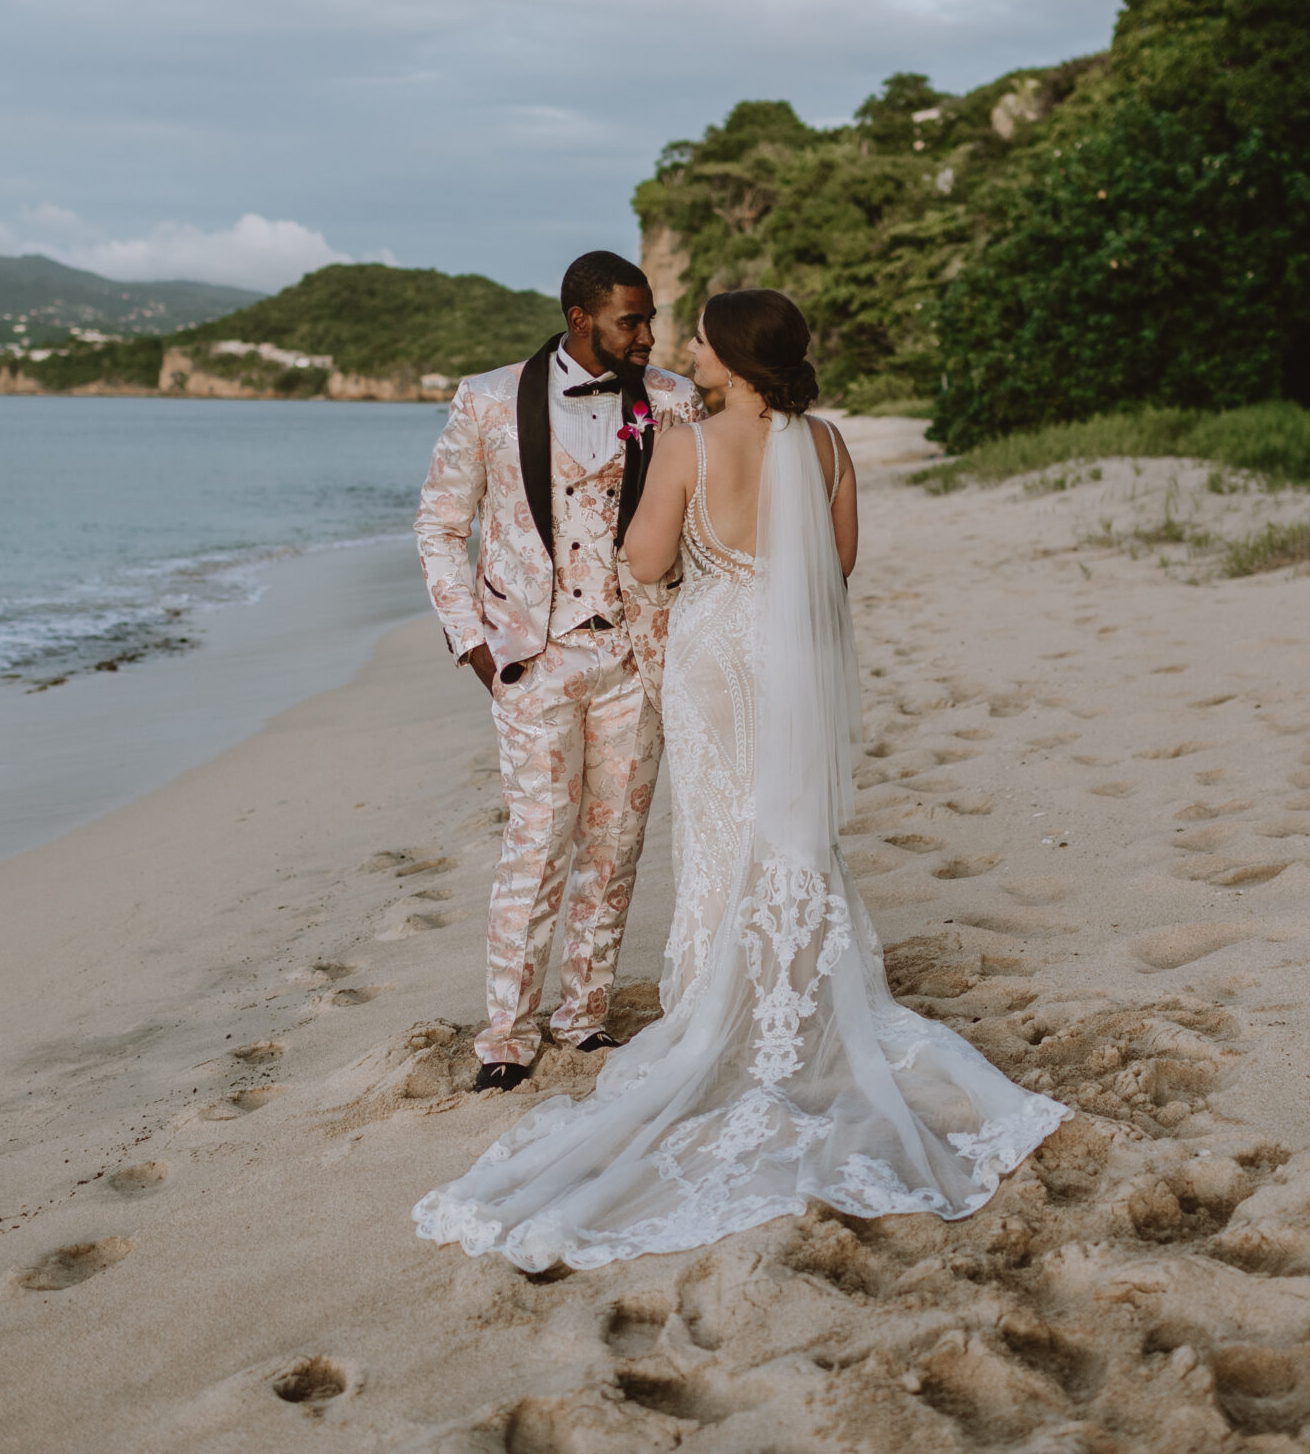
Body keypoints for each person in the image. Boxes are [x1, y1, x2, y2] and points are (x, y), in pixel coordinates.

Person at [413, 288, 1065, 1272]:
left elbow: (642, 560)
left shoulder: (689, 441)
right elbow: (835, 567)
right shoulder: (831, 446)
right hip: (791, 647)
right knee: (792, 819)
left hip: (714, 652)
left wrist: (659, 542)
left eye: (701, 341)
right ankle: (805, 988)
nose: (687, 351)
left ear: (733, 359)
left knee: (721, 822)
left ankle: (719, 1001)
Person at [414, 250, 706, 1093]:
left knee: (615, 847)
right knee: (537, 843)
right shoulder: (488, 398)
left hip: (635, 656)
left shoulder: (676, 401)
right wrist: (474, 642)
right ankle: (505, 1034)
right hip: (529, 658)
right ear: (583, 318)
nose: (648, 335)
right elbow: (439, 526)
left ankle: (582, 1018)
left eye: (649, 319)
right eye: (632, 320)